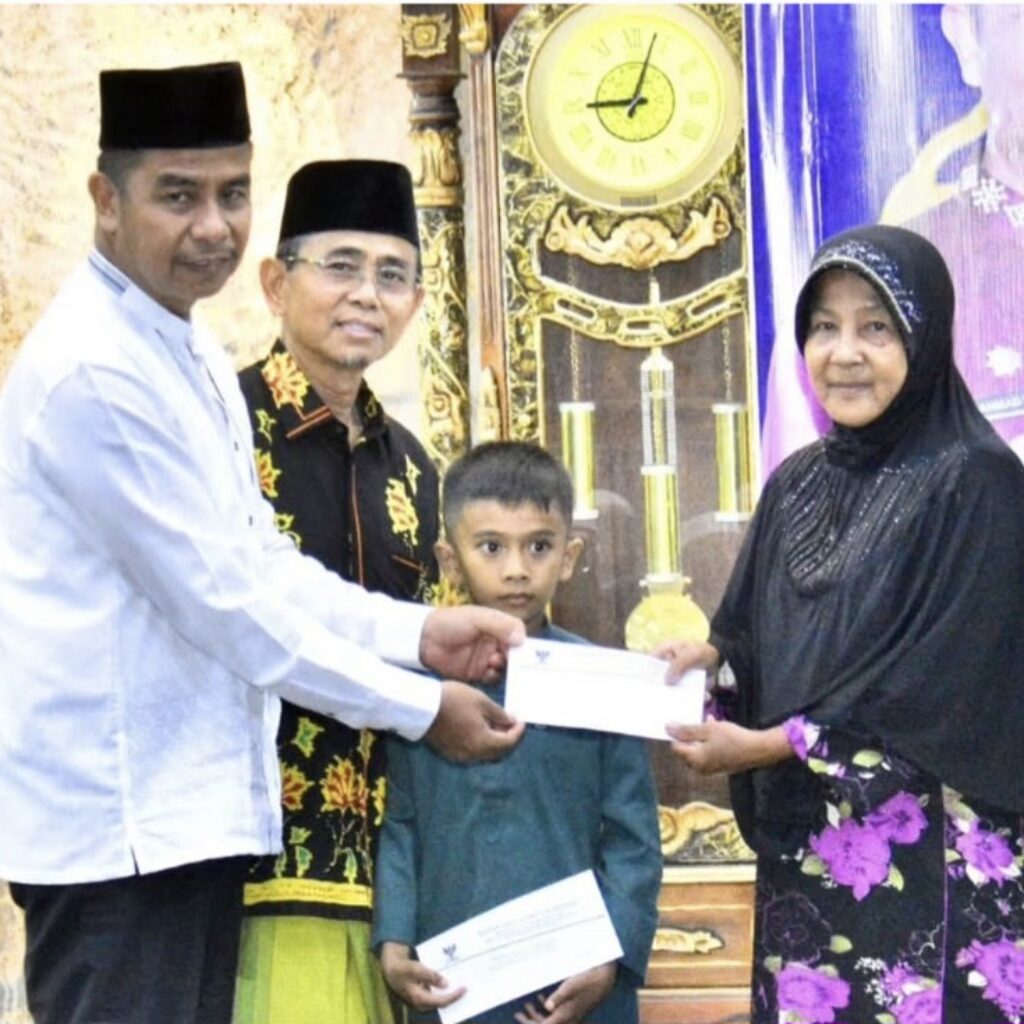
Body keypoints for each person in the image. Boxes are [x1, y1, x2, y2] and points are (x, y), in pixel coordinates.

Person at [0, 62, 527, 1024]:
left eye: (234, 193)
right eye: (178, 195)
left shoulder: (187, 350)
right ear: (105, 200)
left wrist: (416, 635)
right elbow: (228, 611)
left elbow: (260, 564)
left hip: (190, 833)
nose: (214, 226)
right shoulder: (94, 370)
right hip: (120, 840)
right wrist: (421, 708)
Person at [662, 225, 1024, 1023]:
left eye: (876, 327)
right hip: (813, 856)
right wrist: (710, 659)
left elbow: (944, 681)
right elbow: (754, 632)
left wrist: (776, 743)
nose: (844, 353)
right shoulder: (798, 483)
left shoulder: (979, 482)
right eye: (824, 327)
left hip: (932, 858)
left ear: (925, 340)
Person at [233, 159, 439, 1024]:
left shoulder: (415, 468)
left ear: (415, 304)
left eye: (391, 275)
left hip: (388, 889)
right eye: (341, 265)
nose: (366, 294)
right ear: (276, 283)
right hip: (247, 874)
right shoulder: (225, 427)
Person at [373, 441, 663, 1024]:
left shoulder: (601, 683)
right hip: (451, 981)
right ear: (449, 560)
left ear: (570, 555)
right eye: (490, 547)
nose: (516, 570)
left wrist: (612, 954)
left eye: (539, 546)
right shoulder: (415, 688)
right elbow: (400, 824)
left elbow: (634, 840)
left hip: (582, 984)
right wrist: (394, 942)